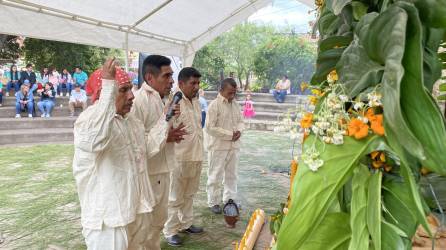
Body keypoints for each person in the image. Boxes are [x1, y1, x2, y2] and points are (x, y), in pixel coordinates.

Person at [73, 58, 171, 250]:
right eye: (123, 90)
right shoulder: (88, 121)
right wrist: (109, 85)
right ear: (104, 95)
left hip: (136, 210)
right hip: (108, 222)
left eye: (130, 89)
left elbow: (148, 148)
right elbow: (96, 140)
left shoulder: (130, 121)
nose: (131, 96)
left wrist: (166, 118)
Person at [131, 55, 187, 250]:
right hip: (147, 174)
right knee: (145, 225)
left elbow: (165, 129)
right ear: (150, 77)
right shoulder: (138, 101)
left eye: (172, 75)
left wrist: (172, 132)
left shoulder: (166, 98)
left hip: (163, 169)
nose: (172, 80)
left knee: (158, 221)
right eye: (167, 76)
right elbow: (139, 146)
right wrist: (166, 133)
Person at [163, 67, 204, 246]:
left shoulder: (196, 101)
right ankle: (170, 230)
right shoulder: (174, 101)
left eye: (198, 83)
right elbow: (166, 128)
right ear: (180, 84)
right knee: (175, 196)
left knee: (190, 193)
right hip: (179, 157)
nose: (196, 87)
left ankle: (186, 223)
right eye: (192, 83)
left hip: (196, 155)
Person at [205, 78, 244, 214]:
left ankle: (229, 199)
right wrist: (230, 134)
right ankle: (213, 202)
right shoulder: (214, 105)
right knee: (215, 175)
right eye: (229, 93)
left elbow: (241, 121)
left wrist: (239, 130)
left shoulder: (236, 104)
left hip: (233, 146)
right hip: (218, 147)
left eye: (234, 93)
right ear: (221, 90)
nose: (232, 96)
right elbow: (210, 128)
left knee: (232, 175)